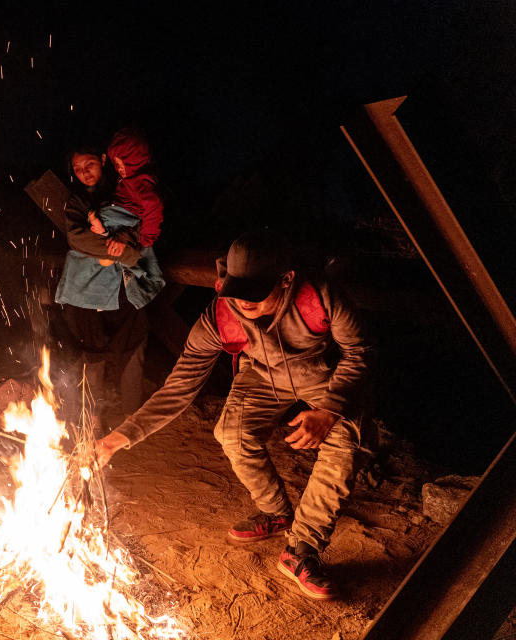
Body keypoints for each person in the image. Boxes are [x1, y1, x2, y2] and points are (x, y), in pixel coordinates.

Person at [95, 229, 372, 600]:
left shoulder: (319, 296)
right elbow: (180, 386)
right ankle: (276, 513)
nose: (242, 302)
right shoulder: (221, 315)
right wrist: (121, 437)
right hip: (260, 374)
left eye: (254, 293)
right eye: (235, 291)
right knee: (231, 432)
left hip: (321, 375)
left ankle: (302, 549)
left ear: (285, 279)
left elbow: (360, 353)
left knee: (344, 439)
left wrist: (329, 409)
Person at [54, 146, 156, 429]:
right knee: (91, 357)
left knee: (133, 349)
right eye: (78, 169)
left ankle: (130, 420)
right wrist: (124, 252)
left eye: (89, 165)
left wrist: (126, 243)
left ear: (102, 160)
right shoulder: (76, 202)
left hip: (124, 291)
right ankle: (93, 418)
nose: (85, 173)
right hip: (87, 292)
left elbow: (142, 229)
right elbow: (77, 239)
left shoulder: (125, 193)